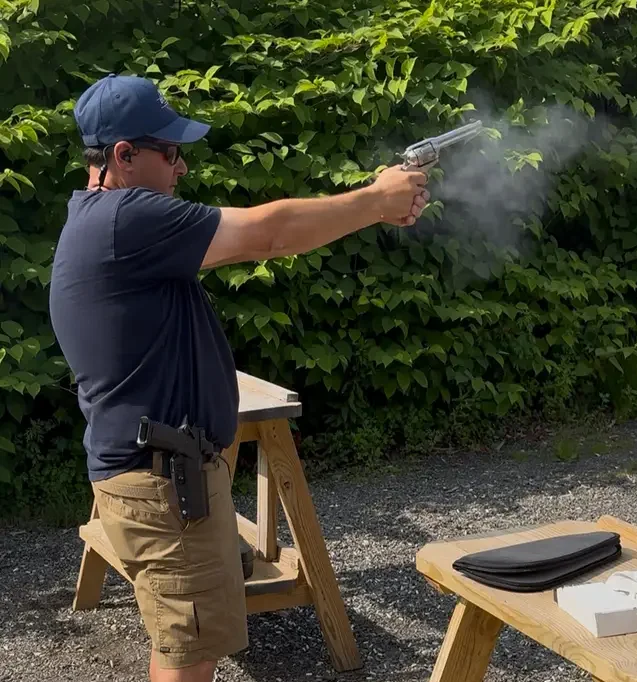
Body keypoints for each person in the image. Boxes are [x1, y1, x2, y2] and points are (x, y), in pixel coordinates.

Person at [48, 73, 429, 682]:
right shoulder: (124, 219)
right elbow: (269, 234)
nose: (181, 167)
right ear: (122, 156)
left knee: (185, 640)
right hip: (164, 486)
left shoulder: (106, 224)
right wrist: (378, 200)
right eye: (170, 152)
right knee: (190, 655)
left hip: (166, 477)